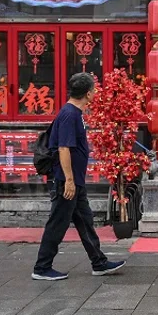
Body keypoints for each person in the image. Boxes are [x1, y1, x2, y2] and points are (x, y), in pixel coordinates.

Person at [32, 72, 125, 281]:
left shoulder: (75, 113)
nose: (95, 93)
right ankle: (41, 267)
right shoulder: (69, 115)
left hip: (75, 181)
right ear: (88, 93)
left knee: (85, 221)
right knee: (57, 223)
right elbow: (64, 148)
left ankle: (99, 262)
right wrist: (70, 181)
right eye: (94, 90)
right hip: (66, 181)